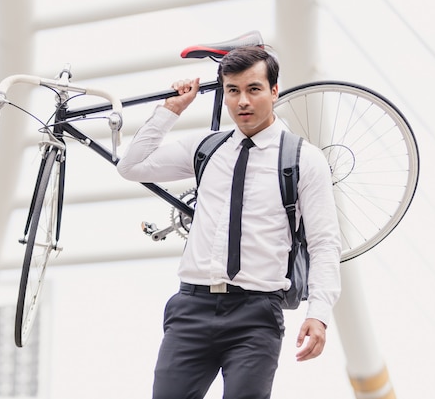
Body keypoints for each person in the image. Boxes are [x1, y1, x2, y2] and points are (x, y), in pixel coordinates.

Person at [117, 46, 341, 399]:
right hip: (191, 308)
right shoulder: (206, 148)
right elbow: (131, 167)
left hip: (256, 315)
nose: (242, 102)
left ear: (274, 90)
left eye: (253, 89)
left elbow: (325, 243)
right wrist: (170, 111)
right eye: (232, 91)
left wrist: (320, 313)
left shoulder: (303, 159)